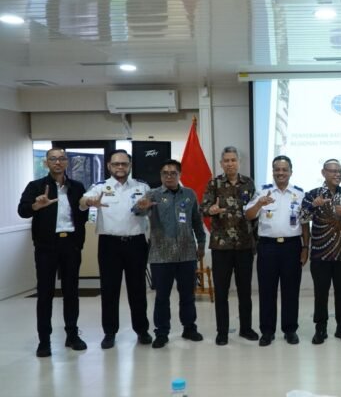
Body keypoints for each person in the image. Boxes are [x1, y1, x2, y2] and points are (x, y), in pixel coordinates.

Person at [18, 147, 88, 357]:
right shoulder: (36, 186)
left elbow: (81, 215)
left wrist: (86, 208)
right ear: (46, 163)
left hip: (71, 246)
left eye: (62, 159)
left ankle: (72, 335)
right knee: (45, 294)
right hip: (46, 247)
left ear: (67, 162)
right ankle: (44, 341)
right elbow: (22, 211)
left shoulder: (76, 187)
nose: (58, 162)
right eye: (53, 159)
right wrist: (36, 206)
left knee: (71, 293)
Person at [79, 149, 153, 349]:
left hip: (136, 243)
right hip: (109, 245)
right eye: (116, 164)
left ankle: (142, 330)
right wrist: (89, 202)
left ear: (129, 165)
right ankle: (109, 333)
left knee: (137, 290)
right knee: (109, 290)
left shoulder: (142, 186)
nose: (120, 167)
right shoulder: (100, 187)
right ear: (109, 166)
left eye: (124, 164)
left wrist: (147, 207)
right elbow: (82, 202)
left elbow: (150, 209)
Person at [132, 159, 206, 349]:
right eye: (165, 173)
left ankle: (189, 328)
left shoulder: (189, 194)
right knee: (162, 297)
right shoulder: (153, 194)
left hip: (187, 253)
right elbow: (137, 212)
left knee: (187, 296)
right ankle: (162, 333)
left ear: (179, 175)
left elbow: (197, 222)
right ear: (161, 176)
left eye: (173, 173)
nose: (169, 176)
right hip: (161, 255)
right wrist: (142, 206)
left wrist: (202, 244)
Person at [245, 156, 309, 346]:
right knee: (267, 291)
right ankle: (267, 331)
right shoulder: (262, 191)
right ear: (272, 171)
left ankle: (290, 330)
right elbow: (248, 215)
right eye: (277, 169)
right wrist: (259, 204)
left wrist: (306, 247)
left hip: (292, 247)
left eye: (284, 169)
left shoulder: (299, 194)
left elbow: (305, 224)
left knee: (291, 291)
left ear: (290, 171)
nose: (280, 173)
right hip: (268, 247)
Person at [201, 146, 259, 346]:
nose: (230, 163)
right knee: (222, 292)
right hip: (221, 246)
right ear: (221, 163)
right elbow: (204, 208)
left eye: (233, 160)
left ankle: (246, 328)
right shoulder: (214, 183)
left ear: (238, 162)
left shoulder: (249, 183)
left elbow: (255, 214)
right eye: (226, 160)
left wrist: (256, 243)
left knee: (245, 291)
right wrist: (212, 209)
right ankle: (222, 331)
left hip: (244, 245)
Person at [300, 159, 341, 344]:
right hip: (320, 254)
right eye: (333, 171)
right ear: (323, 173)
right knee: (321, 293)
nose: (337, 174)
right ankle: (321, 328)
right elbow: (301, 218)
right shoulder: (313, 194)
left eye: (340, 171)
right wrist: (313, 206)